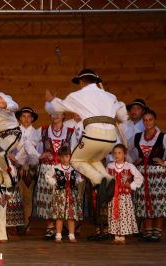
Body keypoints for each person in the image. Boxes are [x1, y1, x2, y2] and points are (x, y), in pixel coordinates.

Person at [45, 68, 128, 205]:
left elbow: (55, 108)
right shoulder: (110, 96)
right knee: (91, 159)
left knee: (76, 160)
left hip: (93, 134)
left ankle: (99, 180)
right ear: (96, 81)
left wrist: (50, 102)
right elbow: (123, 116)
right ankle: (107, 177)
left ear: (82, 82)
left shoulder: (77, 95)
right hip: (111, 138)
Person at [36, 112, 74, 240]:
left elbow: (75, 150)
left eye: (59, 113)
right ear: (50, 116)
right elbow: (27, 142)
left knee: (63, 197)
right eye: (53, 113)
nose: (56, 115)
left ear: (63, 116)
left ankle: (61, 227)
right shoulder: (43, 130)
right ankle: (50, 227)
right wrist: (38, 155)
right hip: (47, 168)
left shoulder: (70, 132)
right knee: (48, 197)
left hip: (64, 169)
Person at [132, 109, 166, 242]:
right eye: (145, 120)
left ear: (155, 120)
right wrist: (134, 161)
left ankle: (157, 231)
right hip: (142, 173)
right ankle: (148, 230)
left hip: (158, 175)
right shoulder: (137, 137)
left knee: (158, 202)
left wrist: (164, 162)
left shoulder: (163, 137)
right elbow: (128, 152)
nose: (147, 122)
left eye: (150, 119)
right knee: (144, 202)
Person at [107, 144, 143, 245]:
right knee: (114, 214)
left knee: (123, 215)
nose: (117, 155)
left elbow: (139, 178)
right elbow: (105, 178)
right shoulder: (110, 166)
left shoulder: (129, 166)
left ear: (124, 154)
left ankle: (122, 236)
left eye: (119, 153)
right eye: (115, 153)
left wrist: (131, 185)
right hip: (113, 196)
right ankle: (116, 235)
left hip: (124, 196)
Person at [14, 107, 40, 229]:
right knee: (16, 196)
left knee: (28, 197)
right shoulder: (14, 131)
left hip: (29, 168)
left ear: (32, 119)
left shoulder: (36, 133)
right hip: (15, 168)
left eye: (29, 116)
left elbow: (34, 151)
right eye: (23, 116)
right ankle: (17, 223)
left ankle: (26, 224)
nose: (26, 119)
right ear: (19, 118)